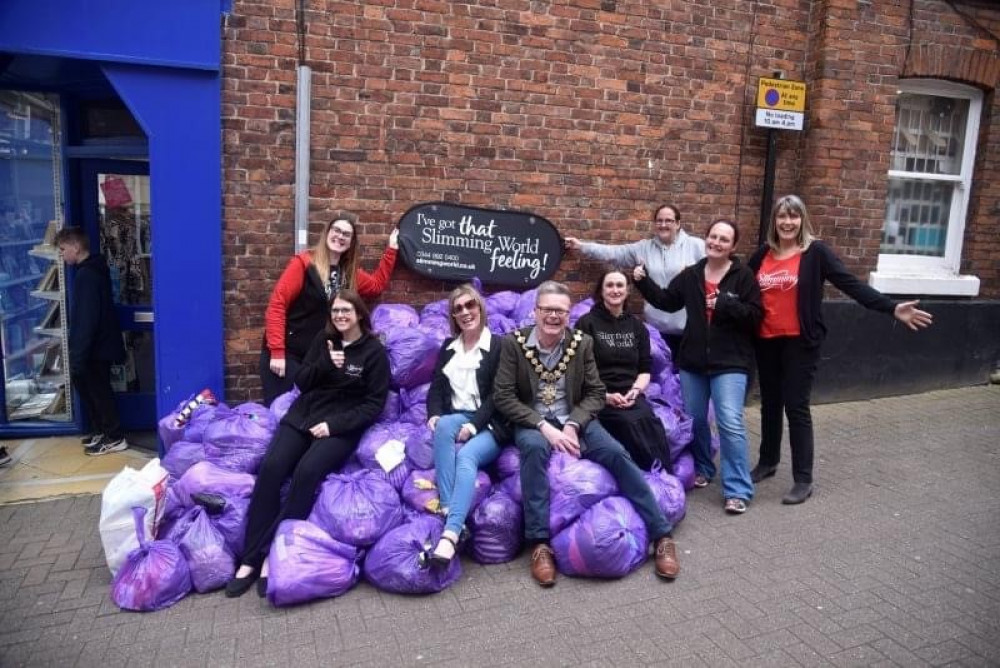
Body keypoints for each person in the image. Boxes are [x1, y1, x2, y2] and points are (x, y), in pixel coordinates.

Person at [493, 281, 681, 587]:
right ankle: (539, 544)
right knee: (534, 451)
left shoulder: (581, 343)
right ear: (536, 311)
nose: (554, 316)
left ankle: (661, 534)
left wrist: (572, 425)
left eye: (561, 311)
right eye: (548, 309)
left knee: (617, 454)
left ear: (569, 314)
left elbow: (595, 392)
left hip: (576, 419)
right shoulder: (514, 344)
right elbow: (504, 396)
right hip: (533, 422)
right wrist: (545, 429)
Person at [748, 195, 933, 504]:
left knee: (796, 406)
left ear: (802, 220)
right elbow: (739, 284)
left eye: (793, 216)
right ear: (774, 221)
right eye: (782, 216)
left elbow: (850, 284)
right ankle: (768, 461)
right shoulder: (763, 255)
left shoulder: (815, 253)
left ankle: (803, 479)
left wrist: (891, 308)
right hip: (766, 340)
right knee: (770, 403)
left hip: (800, 342)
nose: (787, 222)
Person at [226, 289, 389, 598]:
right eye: (336, 311)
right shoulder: (323, 341)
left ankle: (267, 555)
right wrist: (326, 364)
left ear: (359, 315)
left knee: (306, 473)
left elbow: (374, 404)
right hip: (304, 414)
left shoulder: (373, 352)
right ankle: (249, 560)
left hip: (340, 425)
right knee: (272, 469)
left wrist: (334, 426)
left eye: (346, 311)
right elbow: (302, 381)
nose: (340, 316)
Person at [634, 220, 762, 514]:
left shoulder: (743, 277)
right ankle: (704, 466)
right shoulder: (692, 275)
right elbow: (666, 301)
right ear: (706, 239)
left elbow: (755, 316)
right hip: (693, 361)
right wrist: (642, 281)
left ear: (733, 246)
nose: (717, 242)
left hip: (730, 361)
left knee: (730, 421)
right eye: (713, 237)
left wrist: (725, 304)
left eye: (724, 239)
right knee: (696, 419)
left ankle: (737, 489)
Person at [259, 211, 398, 404]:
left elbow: (376, 286)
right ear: (327, 233)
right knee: (280, 413)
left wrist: (391, 250)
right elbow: (277, 305)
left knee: (308, 415)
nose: (340, 236)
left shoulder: (349, 273)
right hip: (288, 354)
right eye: (336, 230)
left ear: (351, 243)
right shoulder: (304, 264)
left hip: (317, 359)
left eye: (346, 234)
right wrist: (277, 352)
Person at [425, 284, 511, 565]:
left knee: (465, 455)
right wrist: (434, 414)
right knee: (443, 425)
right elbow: (436, 388)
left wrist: (473, 427)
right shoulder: (448, 348)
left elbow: (499, 395)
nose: (465, 312)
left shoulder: (499, 345)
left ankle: (449, 535)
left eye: (469, 305)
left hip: (492, 422)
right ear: (453, 316)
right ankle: (454, 515)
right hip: (458, 414)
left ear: (480, 308)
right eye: (458, 308)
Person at [564, 204, 705, 358]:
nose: (663, 225)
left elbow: (715, 274)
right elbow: (614, 253)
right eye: (659, 221)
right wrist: (582, 246)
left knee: (686, 378)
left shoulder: (696, 246)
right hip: (656, 329)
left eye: (669, 221)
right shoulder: (644, 248)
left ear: (678, 224)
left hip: (689, 330)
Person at [574, 270, 671, 471]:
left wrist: (636, 391)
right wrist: (605, 396)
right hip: (597, 395)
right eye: (609, 285)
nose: (615, 290)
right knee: (628, 423)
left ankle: (662, 477)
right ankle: (639, 476)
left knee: (650, 422)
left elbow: (645, 369)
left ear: (627, 291)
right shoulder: (586, 323)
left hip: (631, 393)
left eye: (620, 285)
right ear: (601, 291)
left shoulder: (637, 326)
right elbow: (577, 371)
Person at [54, 227, 127, 456]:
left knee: (99, 392)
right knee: (94, 391)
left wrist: (78, 354)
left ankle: (114, 437)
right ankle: (102, 431)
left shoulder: (87, 275)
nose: (62, 255)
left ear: (76, 247)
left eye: (63, 249)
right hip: (98, 346)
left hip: (94, 348)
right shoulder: (93, 269)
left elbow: (86, 318)